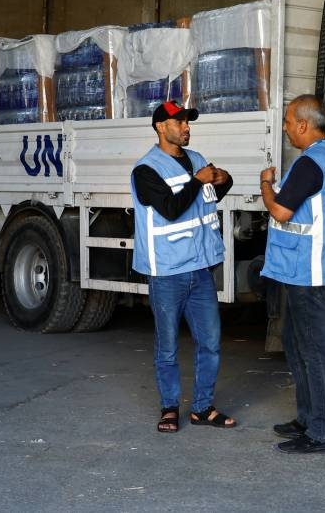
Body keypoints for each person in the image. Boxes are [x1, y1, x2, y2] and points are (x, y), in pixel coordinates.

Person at [131, 100, 238, 433]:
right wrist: (199, 180)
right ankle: (169, 407)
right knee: (168, 346)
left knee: (210, 342)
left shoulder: (196, 160)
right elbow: (171, 208)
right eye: (179, 123)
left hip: (200, 269)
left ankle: (203, 407)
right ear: (161, 128)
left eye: (188, 122)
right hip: (167, 272)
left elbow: (212, 197)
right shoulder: (145, 170)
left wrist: (224, 178)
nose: (186, 128)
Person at [259, 94, 325, 454]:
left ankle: (323, 433)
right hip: (318, 269)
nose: (284, 128)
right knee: (296, 343)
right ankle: (307, 418)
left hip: (312, 272)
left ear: (303, 124)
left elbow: (281, 212)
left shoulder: (311, 163)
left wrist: (266, 184)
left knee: (314, 353)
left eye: (287, 122)